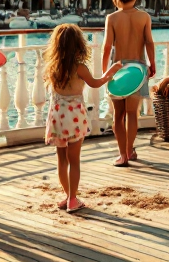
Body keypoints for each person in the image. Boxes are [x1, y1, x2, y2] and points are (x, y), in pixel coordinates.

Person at [44, 24, 121, 212]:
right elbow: (96, 83)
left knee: (61, 160)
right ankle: (72, 199)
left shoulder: (52, 68)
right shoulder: (79, 67)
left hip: (56, 118)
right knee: (75, 160)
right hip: (74, 118)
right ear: (79, 44)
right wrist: (111, 72)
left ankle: (67, 195)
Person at [102, 0, 155, 167]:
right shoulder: (144, 17)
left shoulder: (112, 18)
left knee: (118, 115)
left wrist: (105, 71)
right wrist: (152, 63)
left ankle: (122, 154)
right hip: (138, 69)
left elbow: (107, 46)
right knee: (132, 113)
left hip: (118, 69)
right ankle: (131, 150)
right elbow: (149, 42)